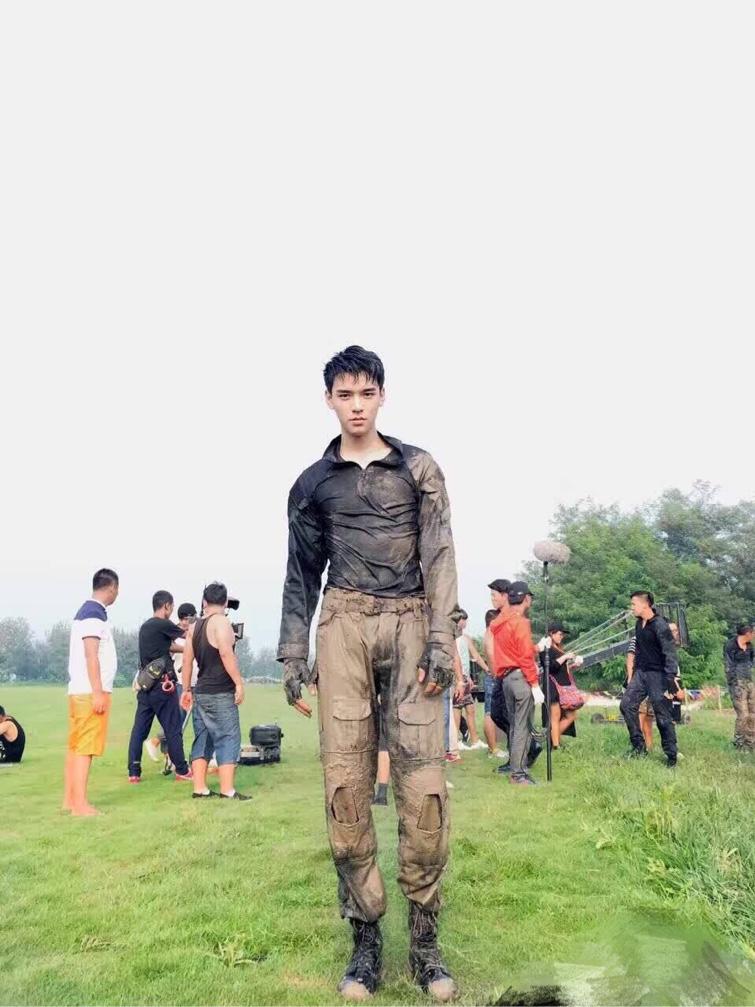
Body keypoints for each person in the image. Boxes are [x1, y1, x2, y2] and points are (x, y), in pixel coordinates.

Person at [277, 346, 459, 1002]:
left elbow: (439, 554)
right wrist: (292, 652)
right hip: (344, 624)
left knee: (424, 788)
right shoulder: (312, 483)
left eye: (366, 393)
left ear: (381, 395)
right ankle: (366, 940)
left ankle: (425, 943)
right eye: (344, 394)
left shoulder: (418, 468)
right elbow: (301, 572)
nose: (356, 405)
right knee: (346, 789)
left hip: (412, 620)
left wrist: (441, 640)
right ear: (329, 399)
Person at [180, 582, 249, 800]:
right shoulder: (222, 622)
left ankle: (199, 788)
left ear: (204, 602)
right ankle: (227, 790)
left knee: (203, 737)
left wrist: (186, 689)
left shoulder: (194, 627)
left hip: (200, 691)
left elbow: (187, 661)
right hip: (221, 691)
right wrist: (238, 683)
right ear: (225, 602)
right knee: (228, 736)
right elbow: (226, 653)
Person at [63, 568, 119, 816]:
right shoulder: (93, 614)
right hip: (89, 692)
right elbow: (91, 654)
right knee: (85, 747)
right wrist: (97, 692)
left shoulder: (88, 612)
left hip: (81, 690)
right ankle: (80, 804)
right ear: (112, 588)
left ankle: (70, 800)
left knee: (77, 746)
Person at [126, 591, 192, 783]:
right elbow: (189, 635)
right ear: (166, 606)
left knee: (139, 730)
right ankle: (182, 770)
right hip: (163, 686)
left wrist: (186, 650)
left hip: (145, 685)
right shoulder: (164, 624)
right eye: (172, 607)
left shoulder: (146, 627)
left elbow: (167, 647)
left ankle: (134, 772)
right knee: (173, 729)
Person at [490, 581, 545, 786]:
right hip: (521, 678)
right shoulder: (521, 622)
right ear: (526, 599)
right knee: (523, 726)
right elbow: (524, 657)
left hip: (506, 679)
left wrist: (537, 648)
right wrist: (535, 685)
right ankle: (518, 774)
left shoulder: (500, 622)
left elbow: (516, 650)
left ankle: (515, 768)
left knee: (515, 725)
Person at [619, 591, 679, 767]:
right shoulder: (639, 623)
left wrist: (671, 678)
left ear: (645, 604)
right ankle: (639, 747)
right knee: (626, 705)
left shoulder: (660, 625)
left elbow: (670, 652)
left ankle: (671, 756)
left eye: (633, 604)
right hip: (641, 673)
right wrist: (632, 674)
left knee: (662, 716)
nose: (631, 608)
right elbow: (638, 650)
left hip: (658, 675)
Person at [144, 602, 197, 766]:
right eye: (185, 619)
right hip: (181, 682)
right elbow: (170, 649)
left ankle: (170, 759)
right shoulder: (174, 633)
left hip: (195, 681)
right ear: (181, 619)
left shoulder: (194, 632)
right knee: (176, 721)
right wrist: (188, 649)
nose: (187, 622)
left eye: (190, 619)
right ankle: (155, 741)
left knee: (182, 722)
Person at [539, 623, 584, 749]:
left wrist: (573, 665)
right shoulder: (545, 648)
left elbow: (561, 669)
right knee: (555, 716)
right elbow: (551, 666)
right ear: (551, 634)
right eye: (560, 634)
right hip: (552, 686)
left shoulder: (558, 648)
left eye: (562, 635)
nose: (561, 637)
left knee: (570, 715)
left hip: (563, 687)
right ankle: (555, 744)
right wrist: (565, 656)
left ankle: (554, 739)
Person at [454, 609, 487, 750]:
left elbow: (476, 656)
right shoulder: (451, 638)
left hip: (466, 678)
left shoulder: (466, 638)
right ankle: (456, 741)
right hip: (456, 679)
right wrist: (458, 678)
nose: (465, 622)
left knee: (470, 709)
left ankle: (475, 740)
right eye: (463, 619)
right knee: (457, 709)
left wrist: (487, 669)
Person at [724, 623, 755, 750]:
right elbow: (728, 666)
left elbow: (752, 661)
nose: (754, 635)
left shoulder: (750, 646)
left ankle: (750, 742)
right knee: (743, 715)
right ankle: (739, 743)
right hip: (737, 683)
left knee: (753, 714)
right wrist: (734, 683)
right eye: (753, 633)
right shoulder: (730, 646)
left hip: (749, 682)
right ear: (747, 633)